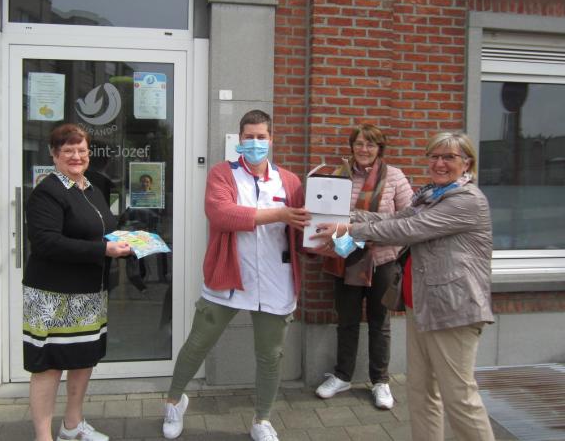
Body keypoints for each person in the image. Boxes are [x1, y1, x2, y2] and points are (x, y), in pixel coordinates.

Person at [311, 132, 496, 441]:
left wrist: (350, 228)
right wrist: (340, 214)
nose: (439, 163)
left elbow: (408, 228)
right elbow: (393, 216)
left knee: (459, 398)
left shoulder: (466, 200)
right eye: (434, 156)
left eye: (448, 157)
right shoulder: (431, 194)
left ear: (467, 164)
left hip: (453, 310)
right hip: (421, 305)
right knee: (421, 392)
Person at [161, 110, 310, 441]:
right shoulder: (222, 174)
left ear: (272, 140)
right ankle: (173, 401)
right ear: (239, 139)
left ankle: (262, 419)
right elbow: (221, 214)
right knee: (197, 344)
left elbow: (301, 229)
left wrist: (329, 233)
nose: (255, 143)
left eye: (261, 137)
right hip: (228, 277)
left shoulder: (290, 181)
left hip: (275, 280)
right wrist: (279, 214)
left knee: (270, 355)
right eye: (249, 137)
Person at [23, 123, 132, 441]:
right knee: (49, 366)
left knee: (83, 359)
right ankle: (44, 436)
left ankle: (72, 425)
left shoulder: (91, 187)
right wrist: (103, 248)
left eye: (81, 150)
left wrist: (127, 241)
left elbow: (102, 228)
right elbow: (46, 243)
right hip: (53, 295)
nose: (76, 156)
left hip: (88, 294)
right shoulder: (48, 191)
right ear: (54, 155)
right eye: (68, 150)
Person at [313, 124, 413, 410]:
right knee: (346, 320)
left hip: (383, 260)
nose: (364, 149)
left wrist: (358, 220)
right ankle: (343, 375)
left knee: (380, 323)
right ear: (352, 146)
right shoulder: (339, 176)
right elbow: (328, 213)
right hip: (347, 258)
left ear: (380, 148)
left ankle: (380, 381)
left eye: (370, 144)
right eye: (359, 144)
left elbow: (408, 219)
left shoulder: (394, 176)